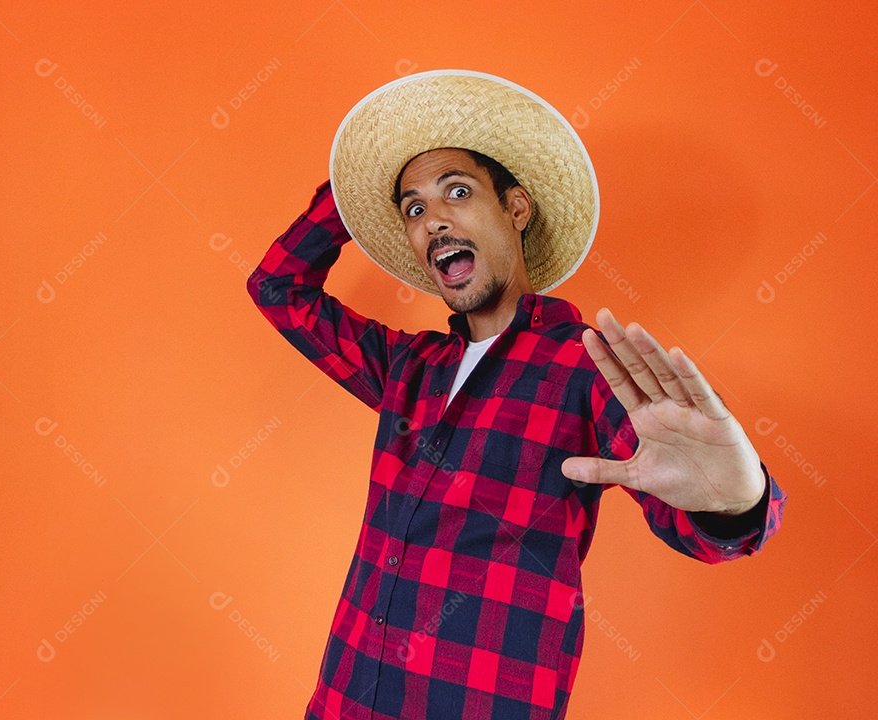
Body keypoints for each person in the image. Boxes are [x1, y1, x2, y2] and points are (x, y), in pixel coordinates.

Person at [246, 70, 786, 720]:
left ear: (516, 209)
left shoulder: (587, 366)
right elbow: (277, 288)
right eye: (414, 209)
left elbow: (701, 522)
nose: (434, 220)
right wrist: (356, 181)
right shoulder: (409, 368)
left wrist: (735, 504)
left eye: (458, 192)